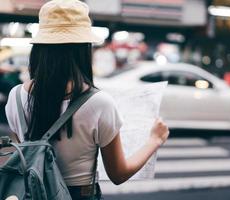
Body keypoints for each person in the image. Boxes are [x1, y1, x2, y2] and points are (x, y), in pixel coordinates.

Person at [4, 0, 169, 200]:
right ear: (83, 49)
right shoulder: (99, 103)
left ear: (40, 47)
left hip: (32, 193)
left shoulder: (16, 96)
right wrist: (154, 140)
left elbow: (27, 156)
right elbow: (118, 173)